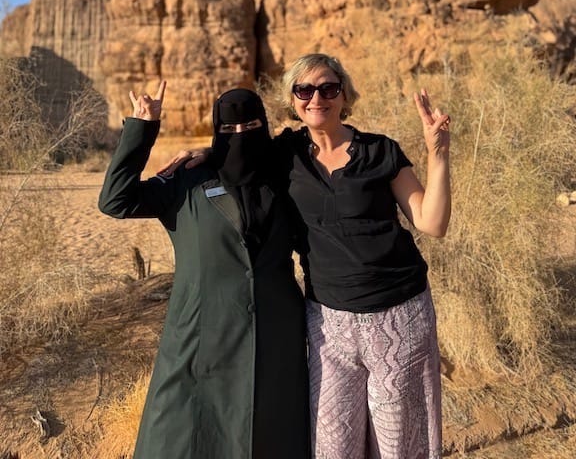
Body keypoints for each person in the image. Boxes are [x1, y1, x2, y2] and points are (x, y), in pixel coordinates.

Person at [159, 53, 451, 459]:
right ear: (293, 99)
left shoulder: (381, 151)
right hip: (328, 324)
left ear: (344, 94)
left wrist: (438, 153)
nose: (318, 98)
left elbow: (431, 221)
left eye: (329, 88)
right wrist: (207, 153)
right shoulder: (285, 154)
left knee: (400, 444)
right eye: (305, 89)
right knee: (331, 444)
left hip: (398, 317)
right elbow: (241, 152)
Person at [98, 81, 310, 459]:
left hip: (275, 335)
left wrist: (212, 148)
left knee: (270, 434)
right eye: (227, 130)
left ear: (264, 125)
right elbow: (116, 200)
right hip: (199, 336)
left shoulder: (285, 176)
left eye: (250, 127)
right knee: (185, 435)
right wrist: (142, 129)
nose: (240, 136)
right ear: (216, 130)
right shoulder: (186, 180)